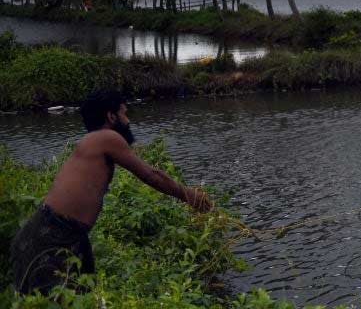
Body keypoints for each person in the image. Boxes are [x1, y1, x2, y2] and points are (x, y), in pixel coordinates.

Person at [9, 90, 212, 294]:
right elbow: (151, 175)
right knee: (56, 300)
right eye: (124, 113)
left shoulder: (93, 141)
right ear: (111, 116)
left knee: (84, 295)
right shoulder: (107, 137)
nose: (128, 120)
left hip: (66, 234)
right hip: (50, 237)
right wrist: (188, 195)